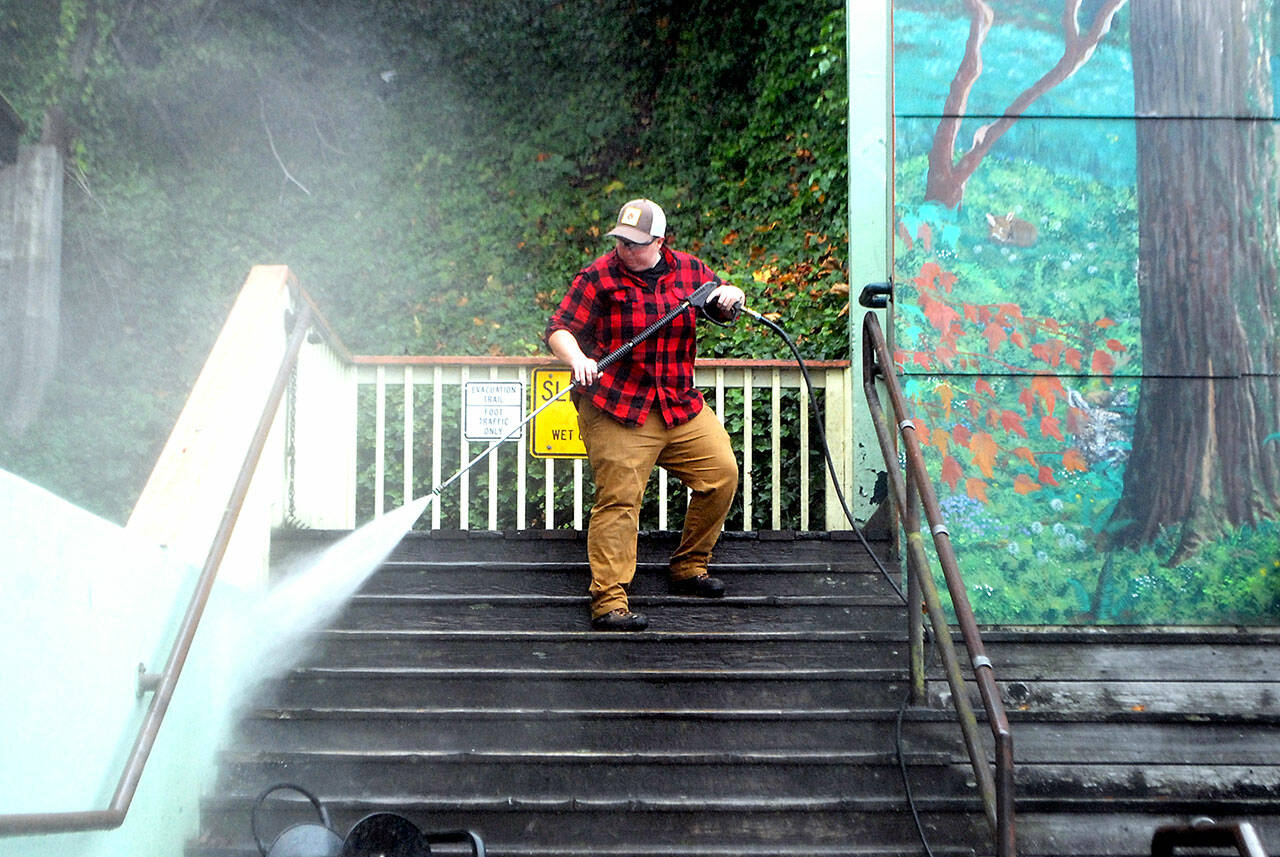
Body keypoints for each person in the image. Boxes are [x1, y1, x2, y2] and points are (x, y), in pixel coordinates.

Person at [545, 198, 746, 631]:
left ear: (659, 240)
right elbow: (559, 327)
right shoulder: (598, 276)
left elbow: (719, 302)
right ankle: (609, 601)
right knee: (619, 499)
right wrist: (576, 357)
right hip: (617, 404)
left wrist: (731, 295)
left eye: (635, 243)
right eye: (620, 240)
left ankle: (689, 566)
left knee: (722, 473)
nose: (625, 250)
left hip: (677, 402)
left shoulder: (691, 271)